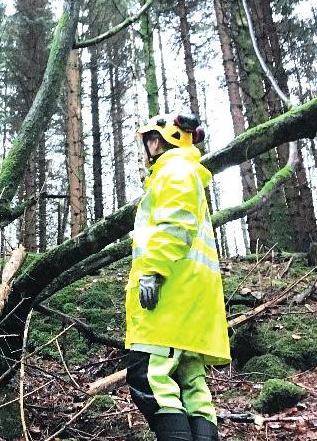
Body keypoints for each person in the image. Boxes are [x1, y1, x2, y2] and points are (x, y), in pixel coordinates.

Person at [125, 113, 230, 441]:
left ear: (172, 139)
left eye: (154, 140)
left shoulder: (174, 172)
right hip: (188, 303)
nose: (150, 148)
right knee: (193, 388)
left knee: (148, 378)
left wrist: (153, 271)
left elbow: (175, 226)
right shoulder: (185, 174)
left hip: (169, 300)